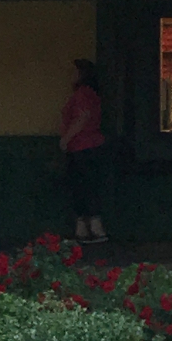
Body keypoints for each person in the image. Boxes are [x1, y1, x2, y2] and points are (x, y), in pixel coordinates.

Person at [59, 58, 108, 243]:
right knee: (87, 185)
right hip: (92, 145)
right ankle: (84, 228)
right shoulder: (92, 95)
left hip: (81, 146)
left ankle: (92, 228)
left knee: (82, 186)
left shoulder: (81, 95)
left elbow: (82, 117)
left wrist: (66, 138)